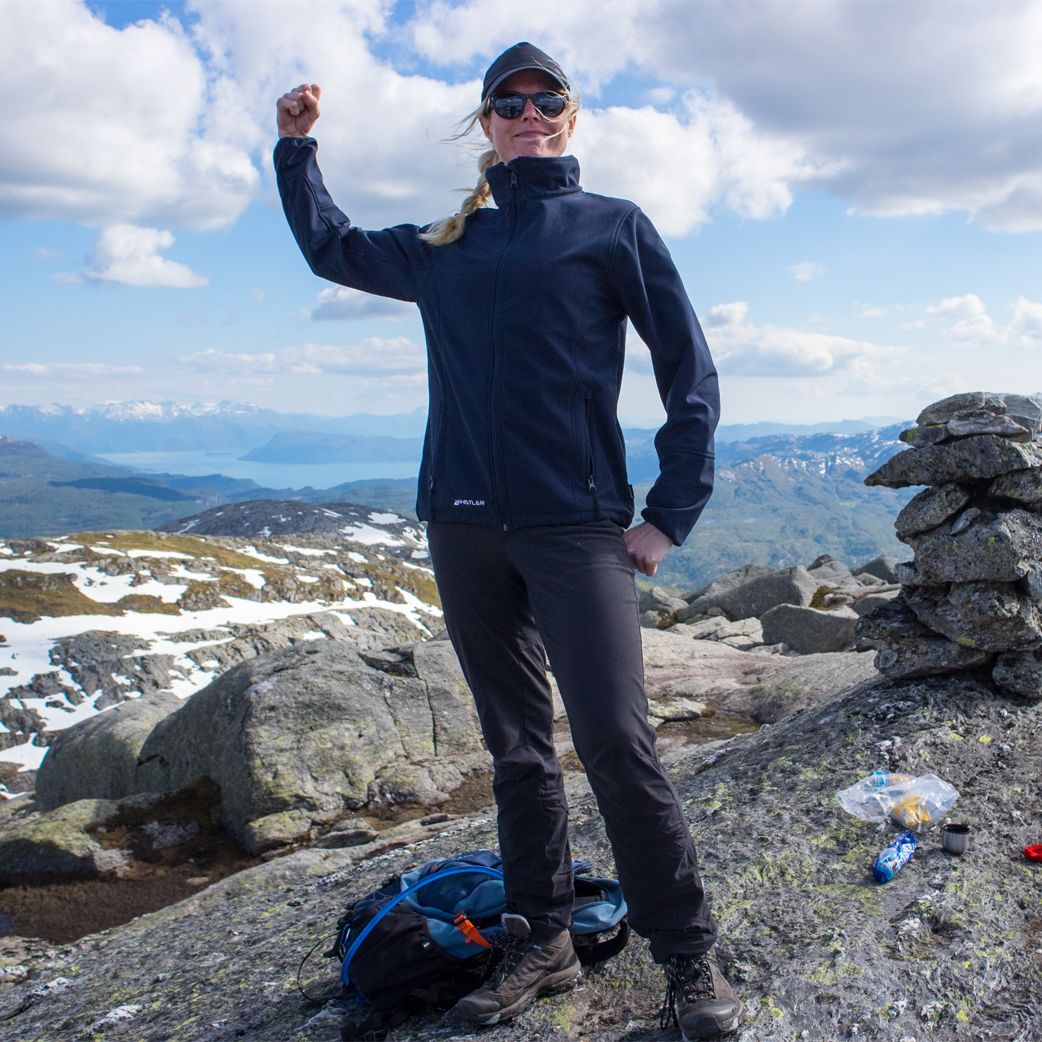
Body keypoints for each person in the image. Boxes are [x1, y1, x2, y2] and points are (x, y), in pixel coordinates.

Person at [274, 42, 742, 1039]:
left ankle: (689, 961)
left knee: (619, 745)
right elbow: (331, 248)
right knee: (518, 751)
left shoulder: (612, 227)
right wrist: (295, 150)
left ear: (571, 118)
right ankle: (542, 941)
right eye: (509, 101)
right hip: (463, 526)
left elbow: (689, 372)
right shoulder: (449, 243)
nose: (529, 111)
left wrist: (670, 513)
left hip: (576, 528)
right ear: (486, 123)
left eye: (547, 99)